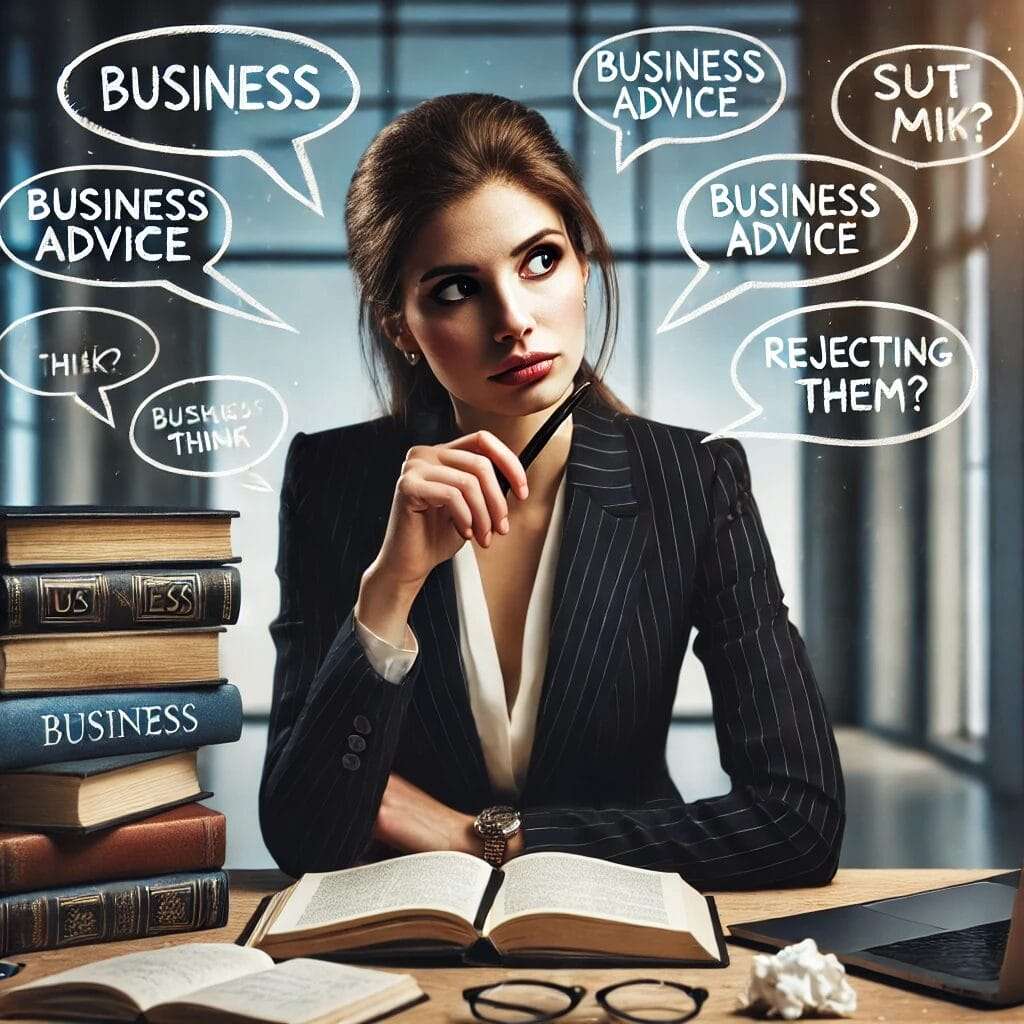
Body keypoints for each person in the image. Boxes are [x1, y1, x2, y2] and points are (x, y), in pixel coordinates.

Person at [259, 93, 845, 888]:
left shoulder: (694, 480)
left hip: (623, 927)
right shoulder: (333, 482)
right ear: (400, 326)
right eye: (456, 289)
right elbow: (300, 830)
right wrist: (390, 587)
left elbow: (799, 820)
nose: (514, 320)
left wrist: (489, 840)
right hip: (408, 928)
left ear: (582, 261)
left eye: (540, 260)